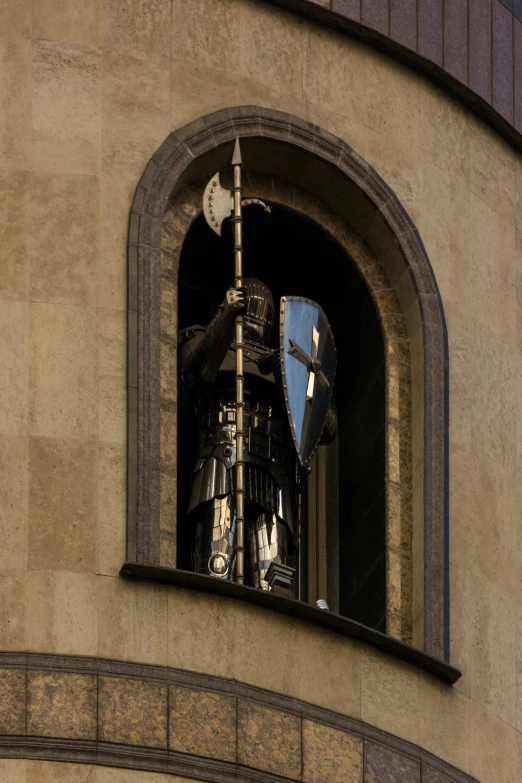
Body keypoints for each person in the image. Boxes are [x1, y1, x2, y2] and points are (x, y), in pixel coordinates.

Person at [179, 278, 336, 591]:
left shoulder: (287, 362)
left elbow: (326, 424)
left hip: (273, 479)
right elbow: (194, 371)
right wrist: (223, 319)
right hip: (220, 464)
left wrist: (289, 373)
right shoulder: (209, 340)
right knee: (216, 566)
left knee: (273, 582)